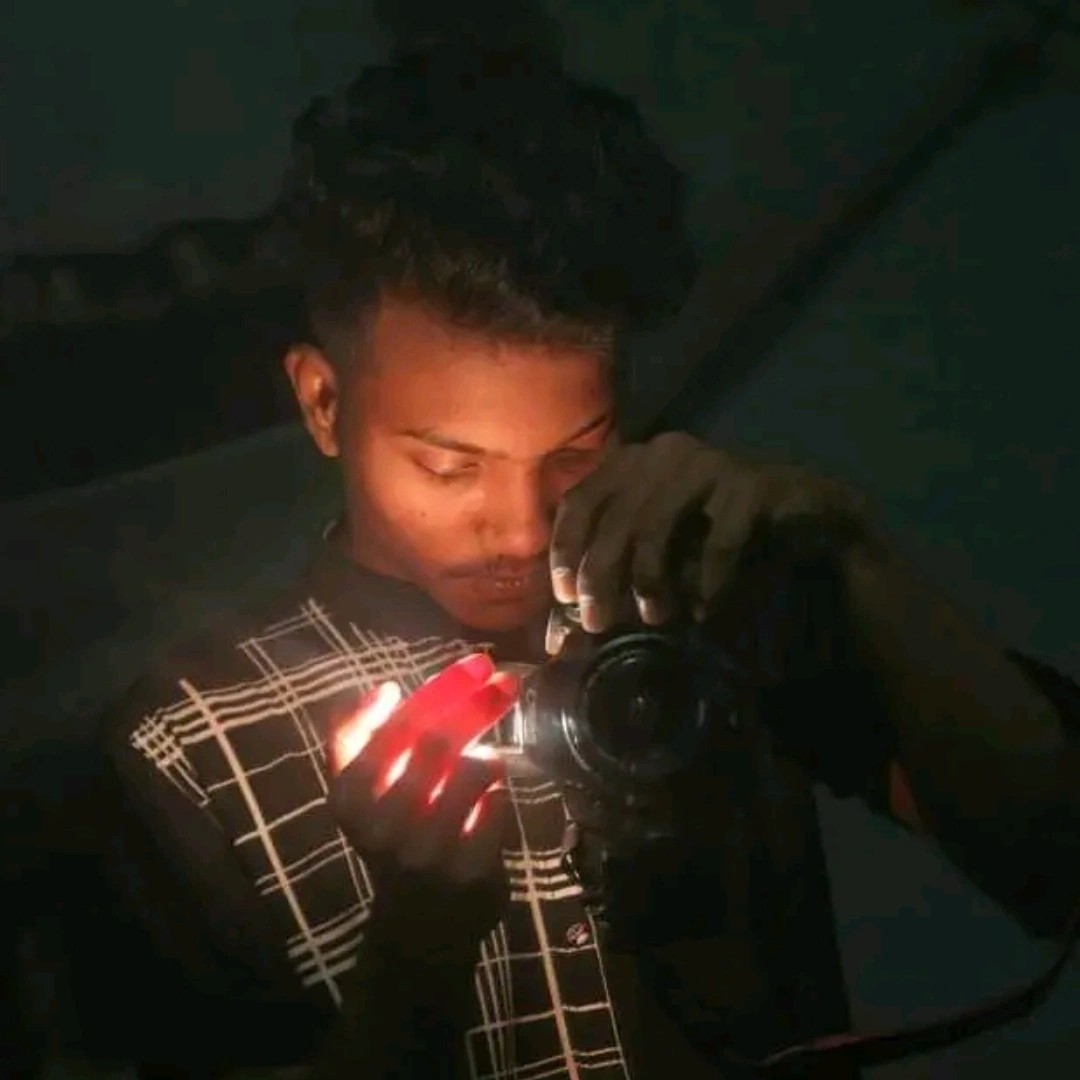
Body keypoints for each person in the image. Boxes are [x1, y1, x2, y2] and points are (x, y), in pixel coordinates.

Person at [96, 23, 1080, 1080]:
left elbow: (1054, 855)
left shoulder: (699, 593)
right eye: (448, 466)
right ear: (323, 401)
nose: (524, 530)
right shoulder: (191, 744)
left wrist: (854, 557)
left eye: (576, 452)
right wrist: (420, 945)